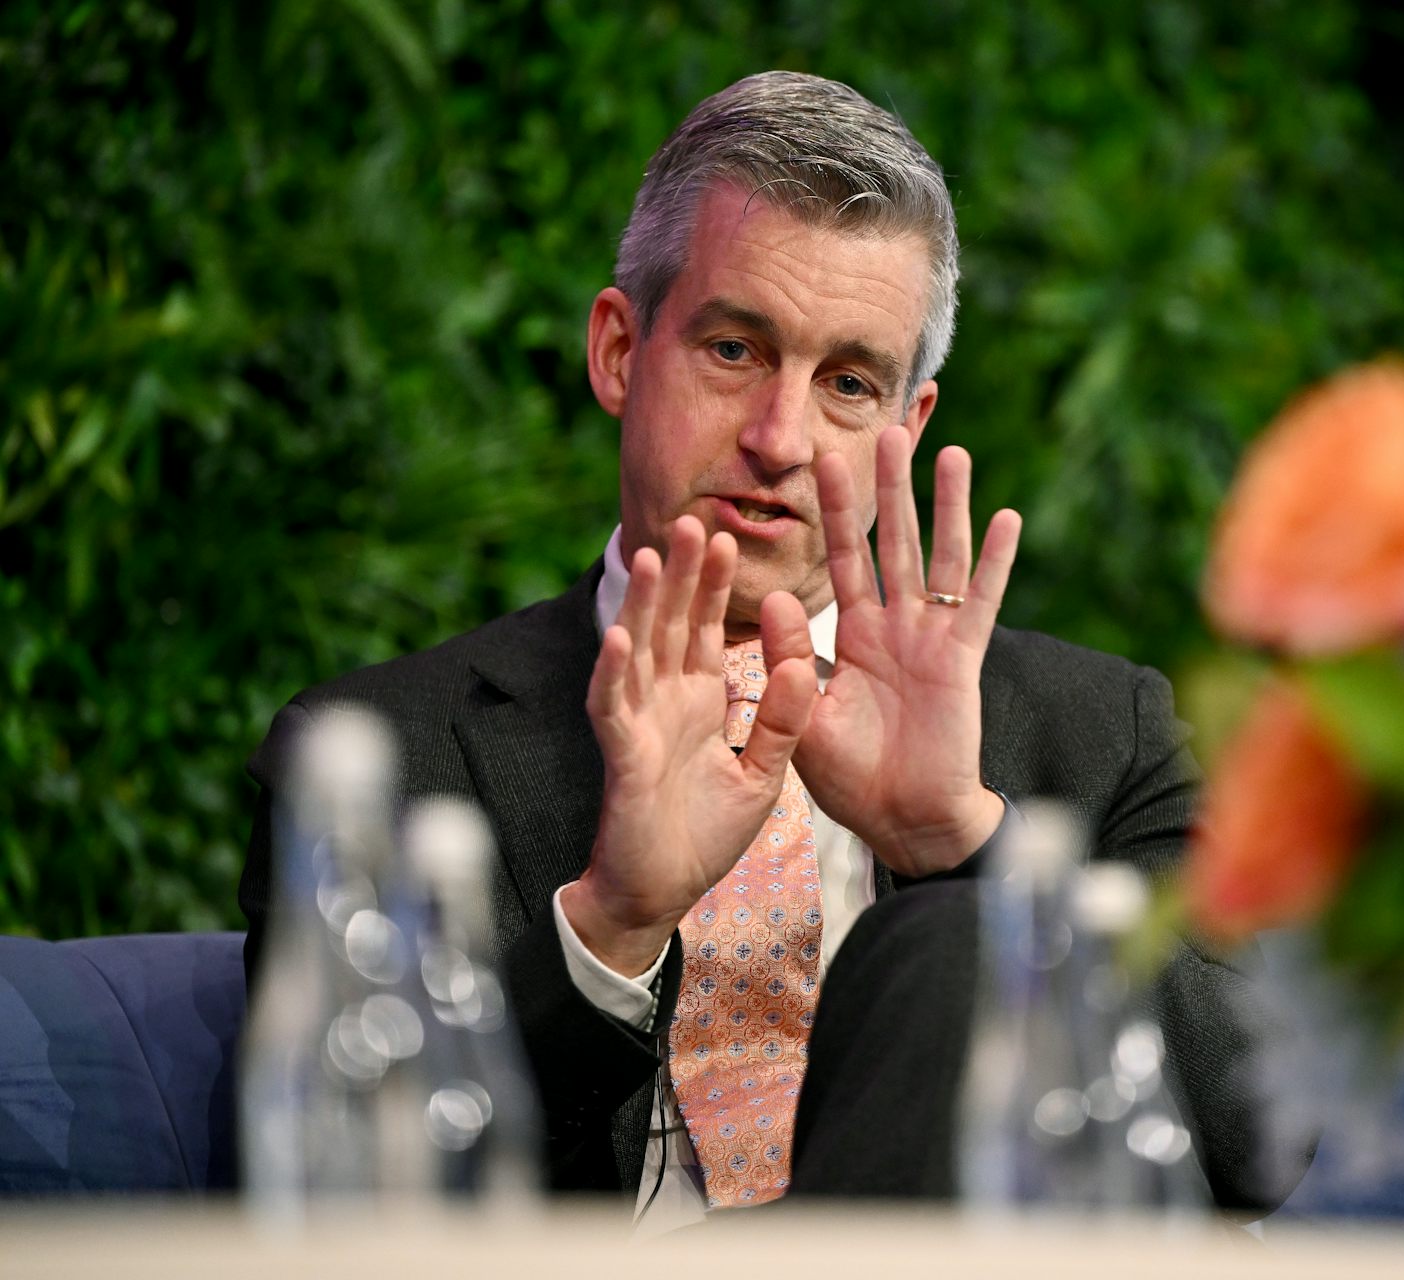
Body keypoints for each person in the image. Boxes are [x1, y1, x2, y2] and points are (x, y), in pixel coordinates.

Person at [239, 70, 1273, 1225]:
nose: (781, 438)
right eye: (734, 349)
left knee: (967, 939)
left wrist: (965, 840)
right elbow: (335, 1194)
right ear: (618, 350)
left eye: (848, 383)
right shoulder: (373, 756)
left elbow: (1263, 1133)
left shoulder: (1103, 731)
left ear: (907, 425)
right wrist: (612, 921)